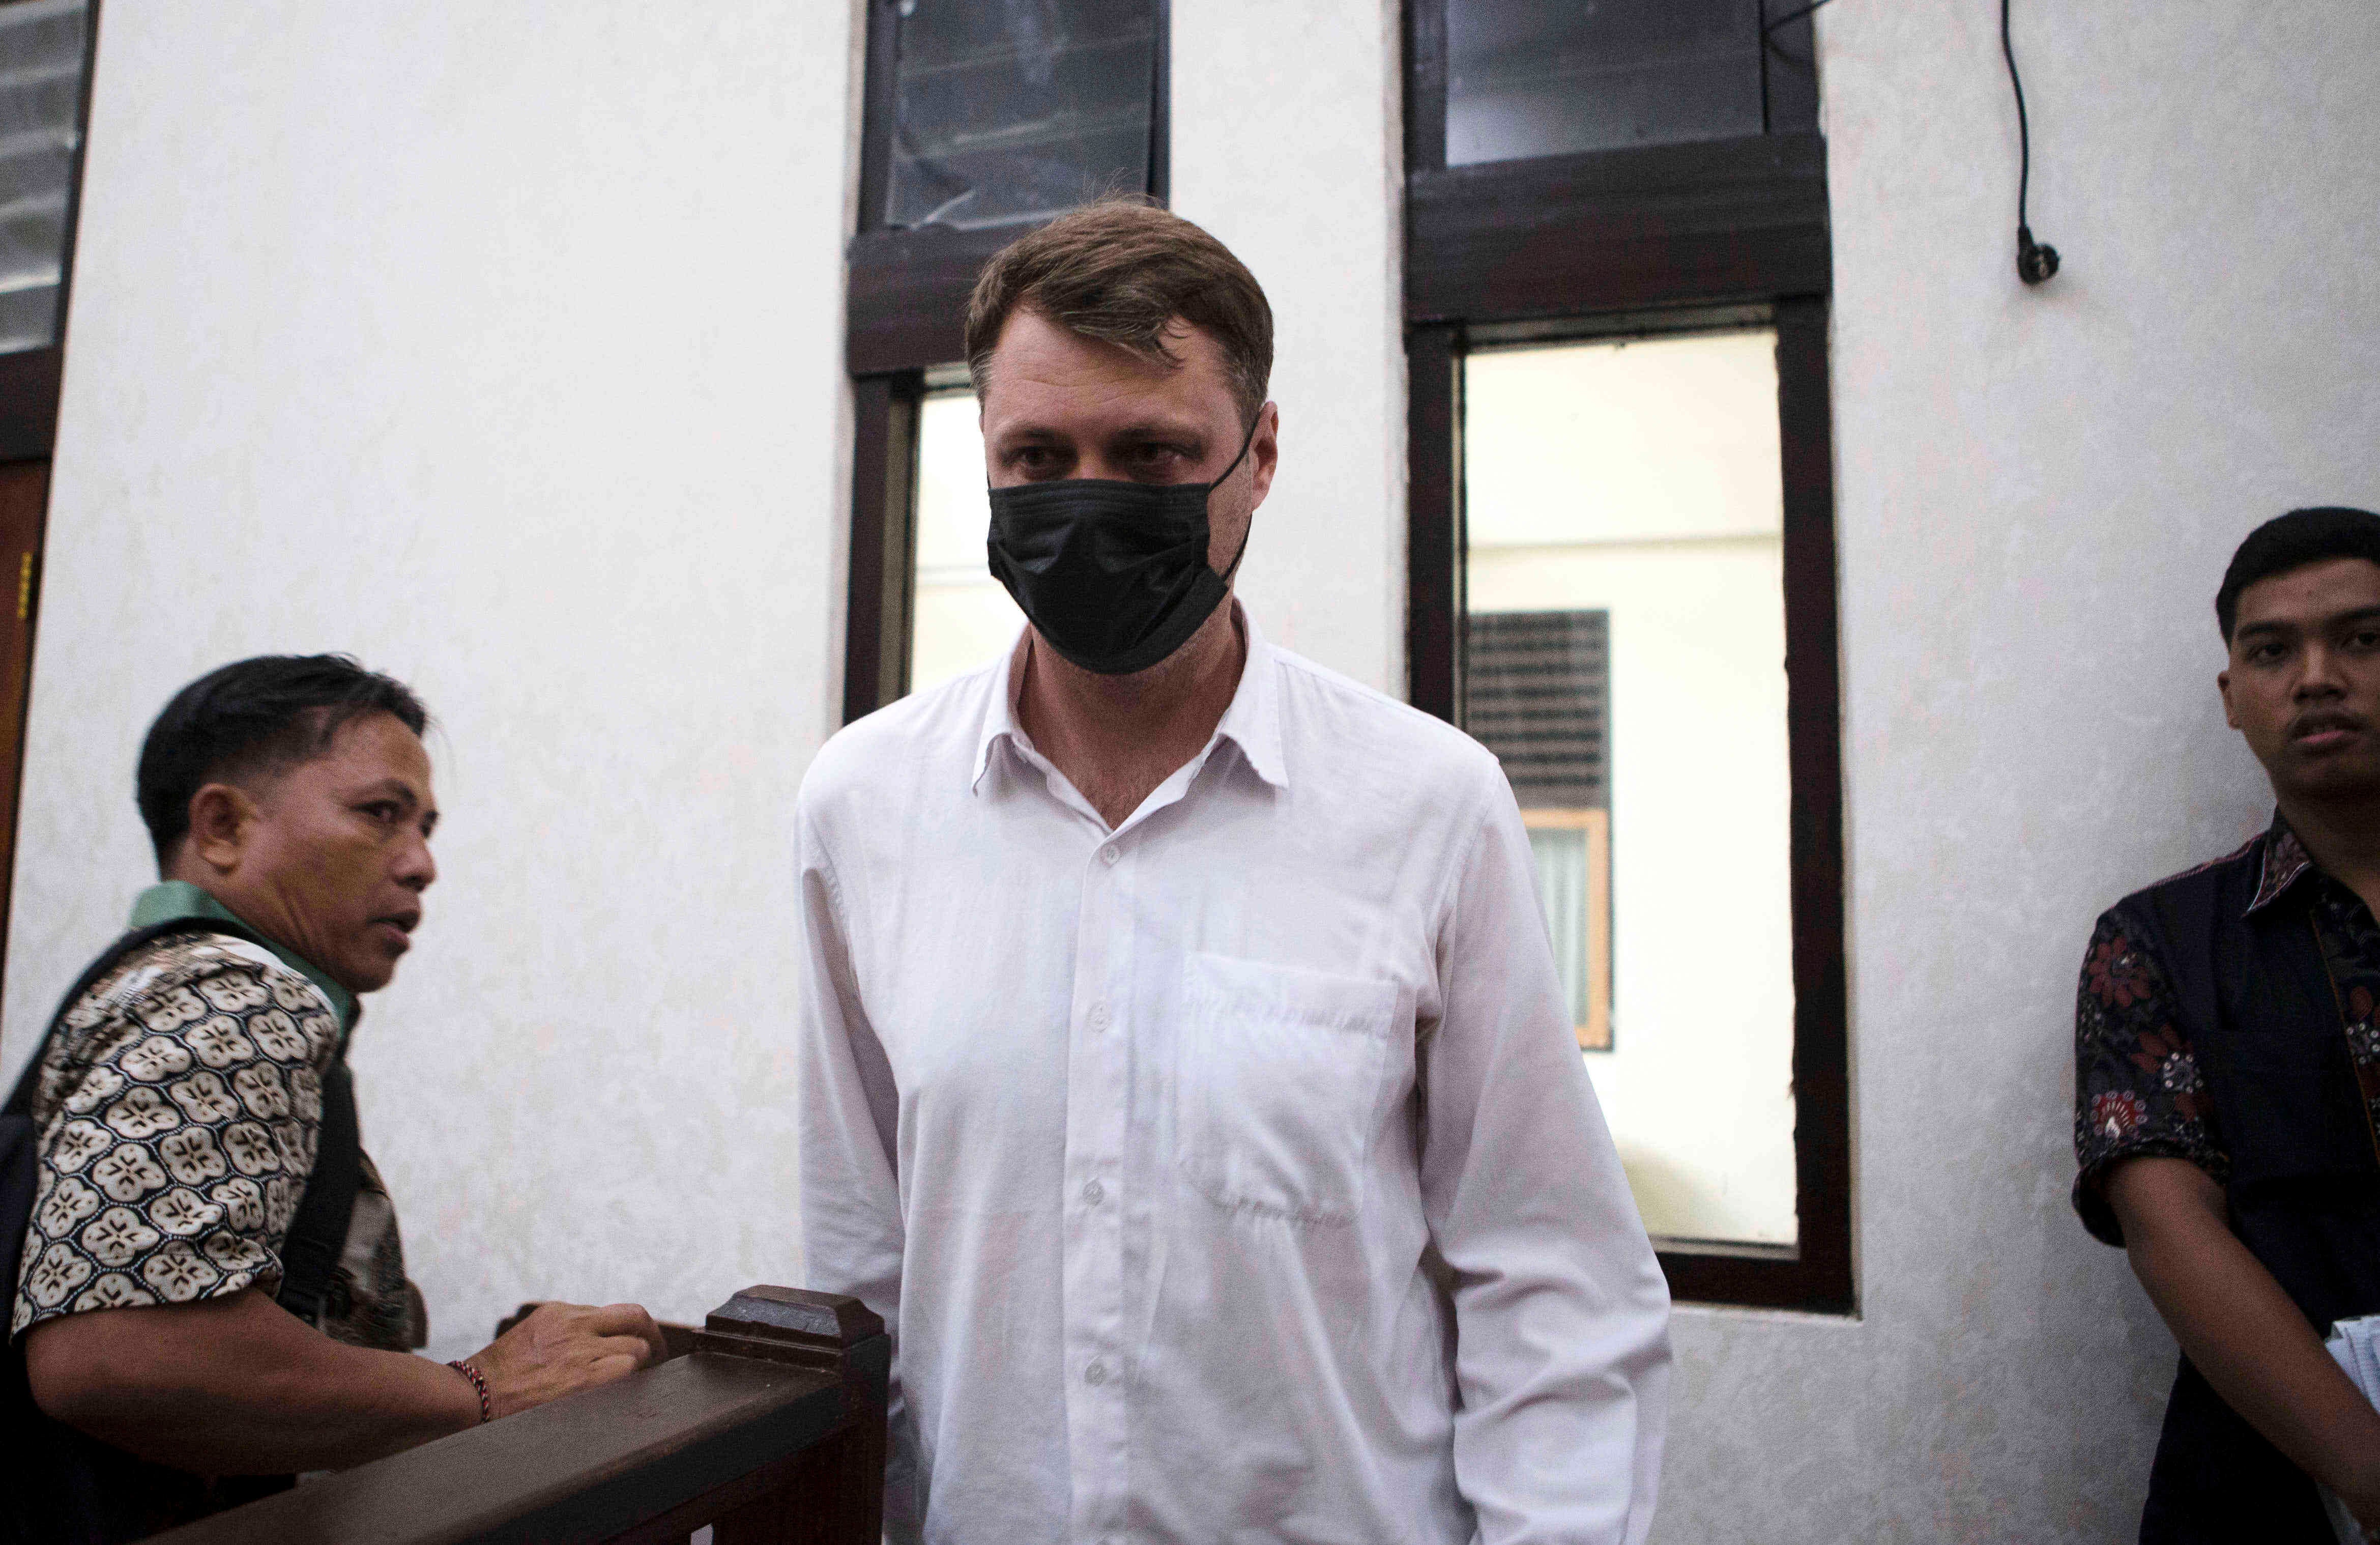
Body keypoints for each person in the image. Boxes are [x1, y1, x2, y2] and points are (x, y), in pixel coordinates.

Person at [796, 199, 1671, 1544]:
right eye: (1037, 456)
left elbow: (1550, 1283)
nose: (1086, 500)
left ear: (1256, 456)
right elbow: (864, 1267)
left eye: (1152, 453)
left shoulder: (1424, 806)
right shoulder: (863, 809)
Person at [6, 654, 662, 1543]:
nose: (423, 864)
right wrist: (480, 1388)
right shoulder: (237, 995)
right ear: (224, 826)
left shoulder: (156, 979)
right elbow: (118, 1350)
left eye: (425, 826)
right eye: (380, 814)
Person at [2074, 506, 2380, 1542]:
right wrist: (2369, 1471)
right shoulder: (2155, 942)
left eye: (2360, 639)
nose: (2315, 676)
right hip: (2265, 1483)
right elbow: (2166, 1224)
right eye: (2270, 650)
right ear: (2231, 698)